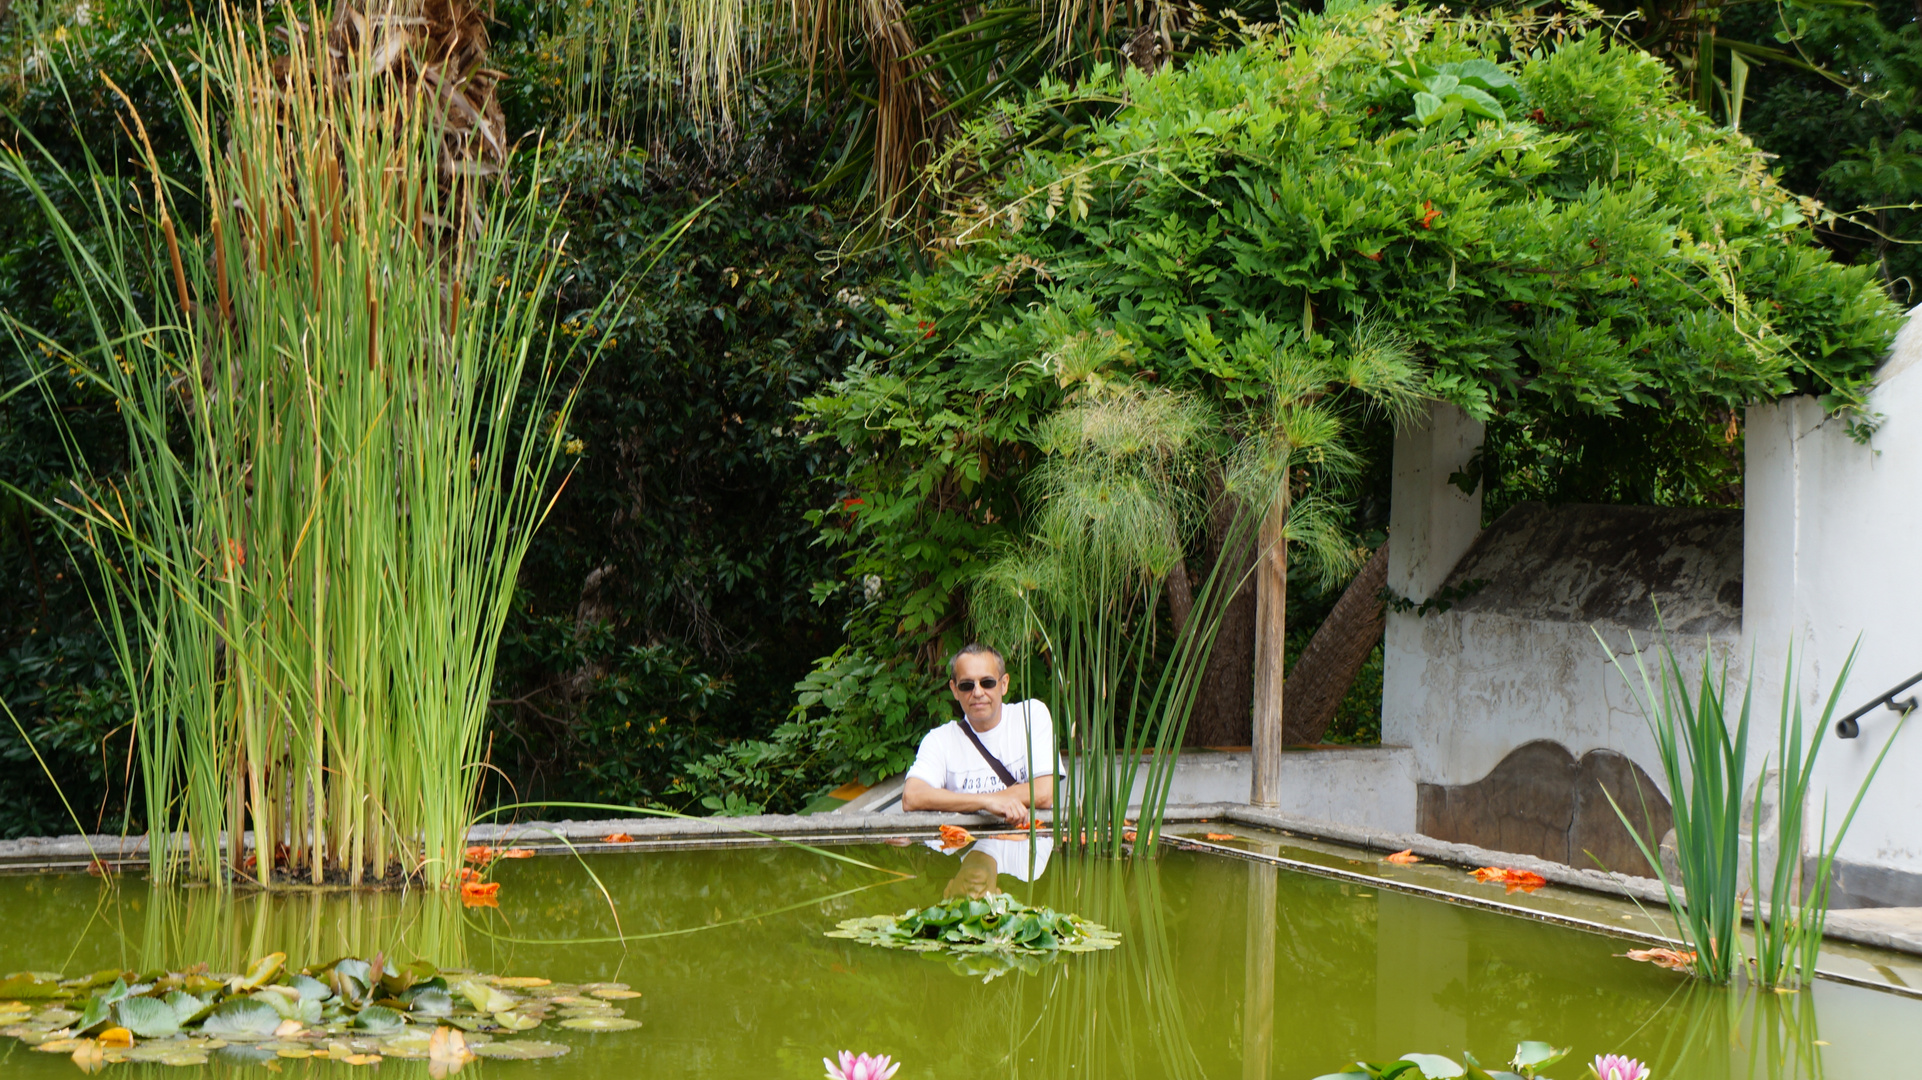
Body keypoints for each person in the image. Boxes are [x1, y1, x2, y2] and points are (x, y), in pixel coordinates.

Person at [901, 643, 1057, 827]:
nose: (977, 692)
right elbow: (912, 797)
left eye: (987, 682)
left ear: (1004, 684)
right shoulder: (939, 740)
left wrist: (971, 802)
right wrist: (986, 803)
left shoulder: (1030, 716)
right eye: (967, 685)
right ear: (954, 690)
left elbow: (1044, 793)